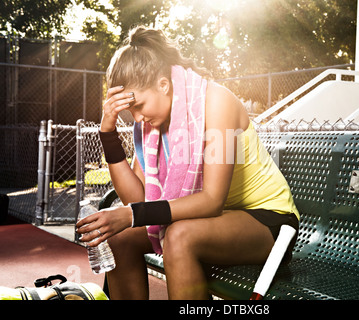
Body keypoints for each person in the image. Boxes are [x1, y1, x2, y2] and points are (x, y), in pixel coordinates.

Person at [76, 26, 299, 300]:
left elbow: (212, 200)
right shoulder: (150, 128)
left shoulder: (216, 102)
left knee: (179, 236)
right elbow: (138, 199)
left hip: (268, 221)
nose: (137, 118)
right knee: (118, 238)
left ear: (163, 85)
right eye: (129, 111)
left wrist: (131, 214)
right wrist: (108, 136)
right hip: (211, 222)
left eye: (139, 106)